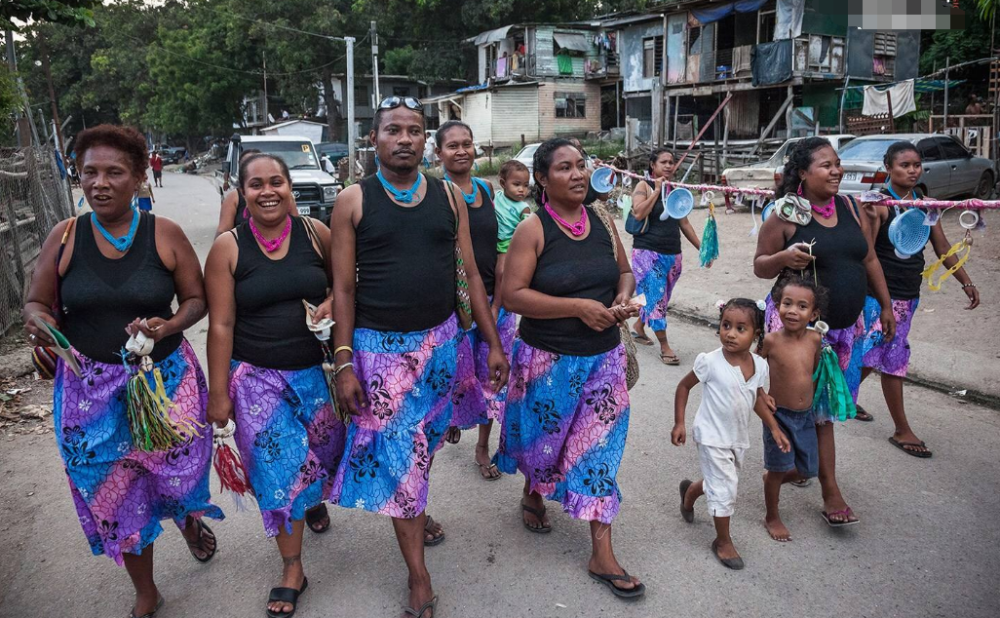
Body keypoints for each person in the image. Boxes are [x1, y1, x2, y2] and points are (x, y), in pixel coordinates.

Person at [22, 125, 222, 618]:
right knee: (115, 490)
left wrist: (168, 324)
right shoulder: (64, 237)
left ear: (138, 178)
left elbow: (197, 300)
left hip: (163, 381)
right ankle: (146, 590)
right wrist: (41, 327)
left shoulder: (165, 234)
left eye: (114, 172)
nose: (100, 183)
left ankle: (185, 519)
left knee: (172, 477)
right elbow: (35, 302)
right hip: (88, 391)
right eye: (89, 172)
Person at [328, 96, 509, 618]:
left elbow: (472, 275)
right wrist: (343, 362)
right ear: (374, 139)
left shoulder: (448, 196)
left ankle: (416, 508)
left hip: (443, 347)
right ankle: (418, 576)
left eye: (414, 130)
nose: (404, 139)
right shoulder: (353, 201)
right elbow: (342, 288)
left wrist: (491, 343)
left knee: (423, 447)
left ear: (424, 138)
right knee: (402, 460)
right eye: (393, 131)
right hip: (380, 353)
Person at [494, 138, 646, 599]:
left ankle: (602, 552)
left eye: (582, 165)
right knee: (545, 448)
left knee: (600, 451)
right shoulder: (532, 229)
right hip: (547, 362)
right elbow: (514, 295)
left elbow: (625, 271)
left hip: (604, 360)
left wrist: (621, 296)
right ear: (542, 179)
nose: (578, 174)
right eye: (565, 168)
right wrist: (578, 307)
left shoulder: (601, 219)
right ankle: (534, 492)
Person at [204, 152, 344, 618]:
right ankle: (292, 568)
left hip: (315, 374)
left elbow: (345, 286)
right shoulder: (228, 246)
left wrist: (329, 303)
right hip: (256, 378)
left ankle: (313, 502)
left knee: (322, 456)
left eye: (277, 182)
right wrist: (219, 392)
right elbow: (221, 323)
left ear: (290, 187)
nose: (268, 191)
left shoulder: (315, 233)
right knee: (280, 473)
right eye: (256, 184)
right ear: (241, 192)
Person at [753, 136, 895, 526]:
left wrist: (884, 305)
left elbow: (867, 257)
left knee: (822, 408)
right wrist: (783, 257)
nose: (836, 171)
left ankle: (800, 465)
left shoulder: (850, 206)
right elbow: (761, 266)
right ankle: (828, 490)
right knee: (807, 411)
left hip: (845, 331)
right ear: (802, 173)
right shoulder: (786, 215)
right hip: (798, 332)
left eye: (837, 164)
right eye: (826, 165)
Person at [854, 141, 980, 456]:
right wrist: (883, 304)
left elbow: (941, 246)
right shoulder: (878, 205)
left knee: (873, 351)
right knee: (893, 356)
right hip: (880, 295)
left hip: (909, 294)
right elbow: (866, 254)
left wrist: (966, 281)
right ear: (888, 168)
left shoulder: (925, 204)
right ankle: (902, 429)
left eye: (916, 165)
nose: (912, 170)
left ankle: (842, 394)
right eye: (904, 165)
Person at [672, 298, 786, 569]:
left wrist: (774, 427)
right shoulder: (709, 362)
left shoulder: (759, 365)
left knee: (721, 481)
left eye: (740, 328)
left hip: (736, 437)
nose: (731, 333)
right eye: (726, 325)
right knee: (725, 489)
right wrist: (680, 423)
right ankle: (722, 541)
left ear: (756, 335)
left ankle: (689, 493)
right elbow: (684, 387)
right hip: (711, 436)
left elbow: (755, 398)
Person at [436, 120, 516, 480]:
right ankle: (452, 418)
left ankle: (483, 445)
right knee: (454, 376)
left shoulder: (486, 190)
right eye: (452, 145)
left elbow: (502, 250)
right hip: (451, 307)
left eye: (466, 143)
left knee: (493, 375)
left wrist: (498, 301)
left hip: (491, 298)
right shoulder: (434, 194)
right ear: (438, 153)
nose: (461, 150)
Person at [759, 275, 825, 541]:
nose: (793, 311)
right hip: (778, 416)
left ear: (813, 314)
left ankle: (772, 480)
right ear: (777, 306)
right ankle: (772, 515)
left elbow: (815, 369)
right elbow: (752, 369)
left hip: (805, 415)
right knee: (777, 470)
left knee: (809, 468)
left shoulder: (815, 340)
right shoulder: (771, 341)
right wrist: (761, 395)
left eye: (801, 306)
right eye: (787, 303)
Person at [628, 148, 701, 365]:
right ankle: (665, 347)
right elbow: (639, 212)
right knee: (656, 299)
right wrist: (655, 190)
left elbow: (684, 223)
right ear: (653, 165)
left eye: (671, 162)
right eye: (664, 162)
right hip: (647, 253)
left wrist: (702, 249)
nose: (669, 166)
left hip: (672, 254)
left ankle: (639, 327)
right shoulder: (643, 185)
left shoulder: (675, 190)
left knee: (659, 297)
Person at [214, 148, 262, 238]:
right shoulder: (234, 197)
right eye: (246, 165)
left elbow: (295, 229)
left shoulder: (280, 196)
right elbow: (222, 233)